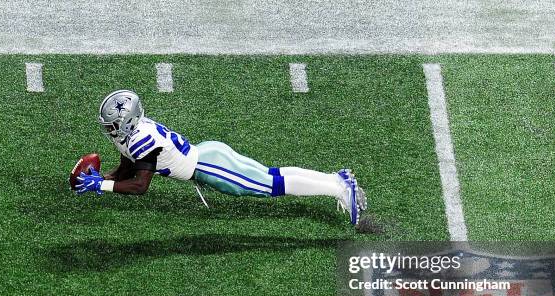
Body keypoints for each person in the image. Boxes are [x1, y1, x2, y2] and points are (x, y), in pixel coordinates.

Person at [76, 90, 367, 225]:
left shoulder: (141, 139)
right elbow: (128, 165)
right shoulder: (130, 135)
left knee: (270, 185)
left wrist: (101, 186)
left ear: (127, 121)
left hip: (209, 167)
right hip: (210, 153)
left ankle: (339, 189)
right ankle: (335, 180)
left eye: (112, 123)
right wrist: (103, 178)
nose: (109, 129)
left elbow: (140, 186)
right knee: (272, 174)